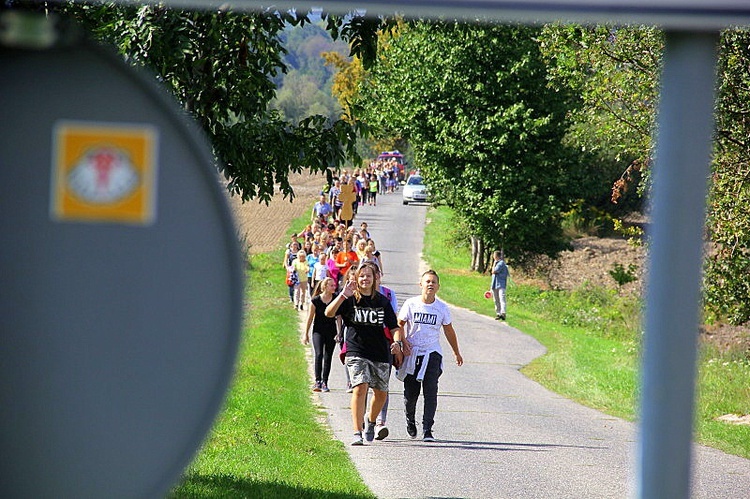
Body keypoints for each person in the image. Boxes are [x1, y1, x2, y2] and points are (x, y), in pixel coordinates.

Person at [325, 263, 403, 446]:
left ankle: (371, 420)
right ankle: (356, 432)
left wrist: (397, 343)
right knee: (360, 388)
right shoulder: (350, 299)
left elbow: (394, 327)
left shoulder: (382, 302)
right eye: (362, 276)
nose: (365, 279)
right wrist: (343, 295)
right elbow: (329, 313)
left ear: (374, 279)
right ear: (356, 279)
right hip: (356, 351)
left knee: (381, 394)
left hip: (380, 352)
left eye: (369, 276)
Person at [396, 269, 463, 442]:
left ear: (438, 287)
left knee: (431, 391)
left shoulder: (441, 308)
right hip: (412, 353)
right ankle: (410, 419)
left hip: (432, 354)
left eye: (434, 282)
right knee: (411, 394)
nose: (430, 284)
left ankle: (428, 429)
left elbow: (448, 330)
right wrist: (403, 343)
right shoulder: (411, 304)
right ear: (421, 285)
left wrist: (456, 352)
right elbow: (399, 325)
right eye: (428, 281)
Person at [301, 278, 340, 392]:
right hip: (318, 331)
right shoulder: (315, 301)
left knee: (328, 357)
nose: (334, 287)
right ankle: (317, 381)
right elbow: (310, 317)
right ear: (325, 287)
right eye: (332, 285)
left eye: (334, 285)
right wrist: (306, 334)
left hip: (331, 331)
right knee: (318, 354)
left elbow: (338, 317)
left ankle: (325, 382)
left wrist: (339, 333)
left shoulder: (336, 299)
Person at [491, 250, 509, 320]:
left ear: (496, 256)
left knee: (501, 298)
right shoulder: (497, 263)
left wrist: (493, 263)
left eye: (494, 255)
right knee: (496, 299)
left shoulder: (500, 263)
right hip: (495, 284)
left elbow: (493, 271)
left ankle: (503, 313)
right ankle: (498, 313)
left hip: (500, 284)